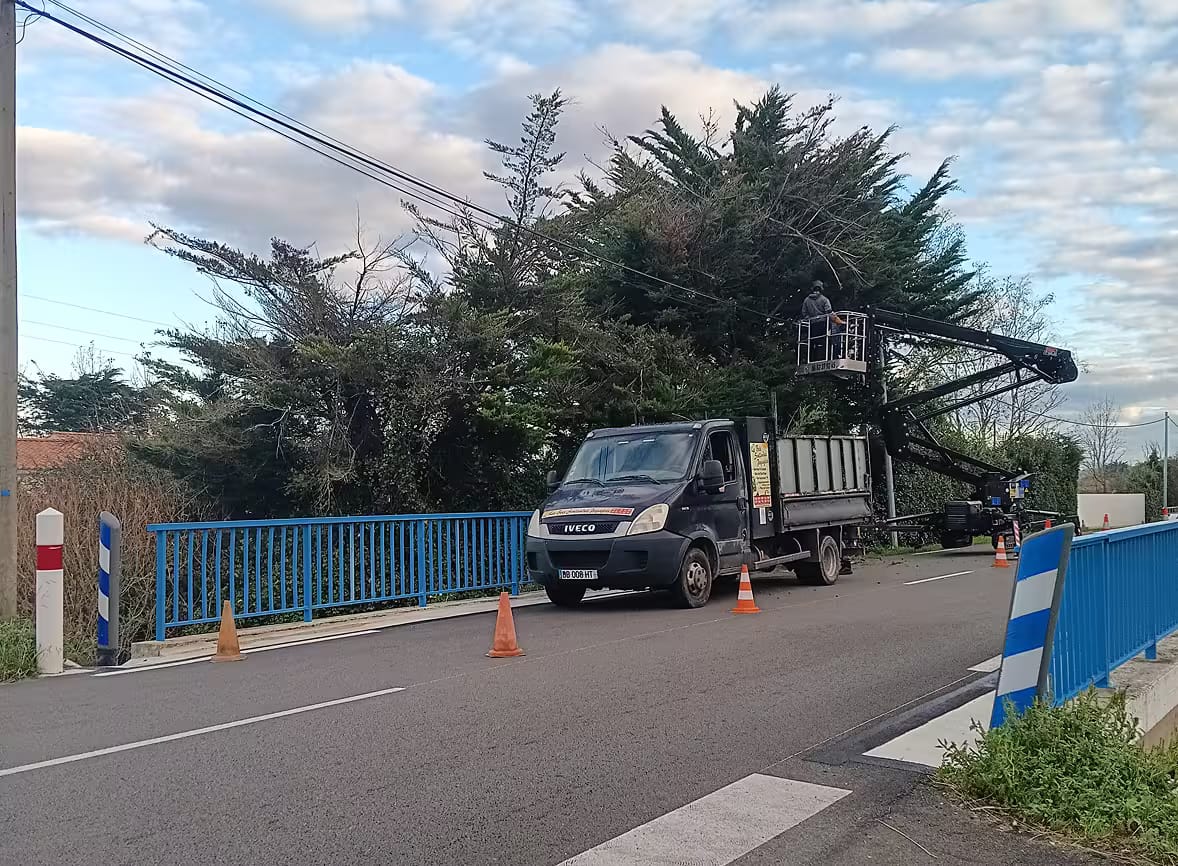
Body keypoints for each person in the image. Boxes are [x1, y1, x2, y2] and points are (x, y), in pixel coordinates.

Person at [800, 280, 844, 359]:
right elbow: (829, 312)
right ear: (821, 289)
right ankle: (830, 357)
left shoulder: (806, 300)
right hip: (823, 325)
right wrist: (838, 321)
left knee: (812, 342)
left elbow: (804, 313)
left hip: (812, 325)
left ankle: (812, 358)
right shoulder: (824, 299)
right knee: (827, 341)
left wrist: (810, 319)